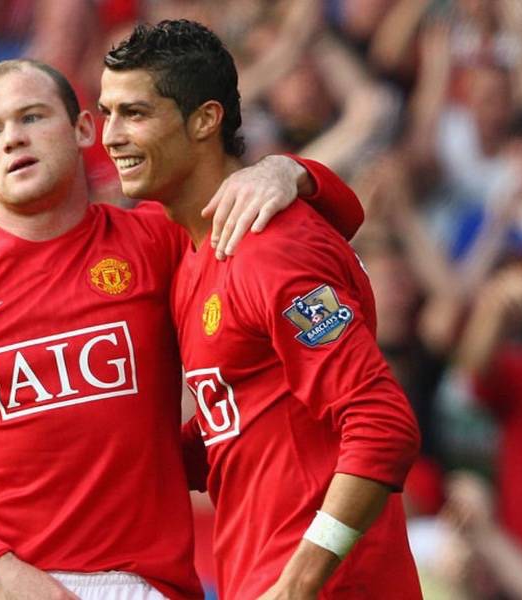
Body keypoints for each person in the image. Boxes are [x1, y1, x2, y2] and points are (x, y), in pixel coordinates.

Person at [0, 57, 362, 600]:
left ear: (84, 130)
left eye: (31, 117)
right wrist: (1, 572)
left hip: (137, 583)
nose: (12, 139)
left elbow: (322, 239)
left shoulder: (160, 240)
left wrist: (289, 172)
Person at [99, 20, 421, 599]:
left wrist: (296, 585)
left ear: (205, 119)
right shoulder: (199, 251)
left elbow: (382, 425)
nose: (110, 137)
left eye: (134, 114)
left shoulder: (272, 249)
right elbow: (245, 425)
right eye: (107, 113)